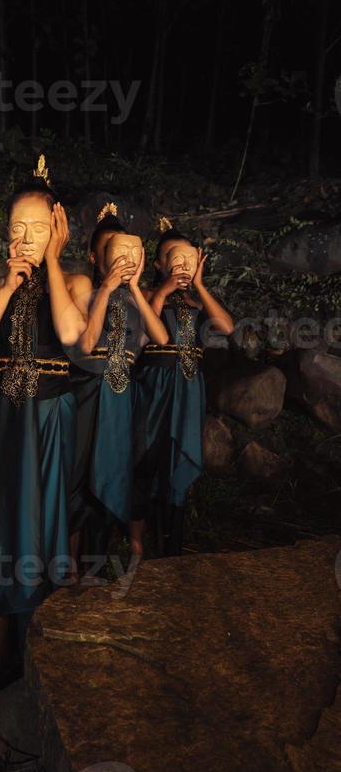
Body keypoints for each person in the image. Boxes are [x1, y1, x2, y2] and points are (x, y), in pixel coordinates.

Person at [0, 155, 90, 708]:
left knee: (52, 522)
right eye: (18, 228)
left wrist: (53, 263)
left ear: (58, 228)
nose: (27, 238)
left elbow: (69, 333)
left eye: (39, 228)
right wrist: (8, 289)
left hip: (54, 418)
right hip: (3, 420)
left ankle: (46, 650)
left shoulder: (78, 280)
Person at [69, 203, 169, 568]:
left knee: (110, 470)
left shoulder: (133, 297)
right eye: (112, 250)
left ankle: (95, 566)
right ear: (96, 256)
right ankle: (66, 564)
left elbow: (158, 337)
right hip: (87, 388)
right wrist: (109, 286)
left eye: (128, 252)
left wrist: (136, 286)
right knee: (78, 473)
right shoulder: (83, 289)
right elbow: (83, 341)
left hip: (121, 392)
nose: (120, 259)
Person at [134, 218, 235, 556]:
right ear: (159, 264)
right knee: (148, 453)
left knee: (180, 455)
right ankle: (137, 536)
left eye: (187, 260)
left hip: (189, 385)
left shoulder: (198, 302)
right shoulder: (148, 294)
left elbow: (226, 327)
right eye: (171, 258)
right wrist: (162, 292)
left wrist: (201, 285)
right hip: (156, 383)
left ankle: (172, 541)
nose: (180, 265)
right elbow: (143, 336)